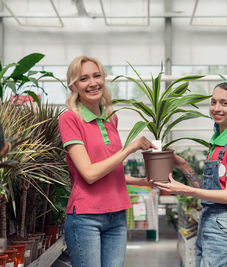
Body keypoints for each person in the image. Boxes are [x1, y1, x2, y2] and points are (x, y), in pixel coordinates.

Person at [58, 56, 156, 267]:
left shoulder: (111, 118)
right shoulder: (70, 119)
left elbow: (109, 171)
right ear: (74, 85)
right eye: (83, 78)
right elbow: (90, 174)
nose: (93, 83)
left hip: (117, 215)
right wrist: (129, 148)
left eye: (97, 75)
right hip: (86, 218)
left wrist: (142, 181)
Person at [154, 75, 227, 267]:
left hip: (224, 227)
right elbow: (209, 190)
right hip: (209, 223)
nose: (216, 108)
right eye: (213, 102)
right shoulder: (217, 142)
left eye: (224, 103)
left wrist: (186, 190)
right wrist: (183, 164)